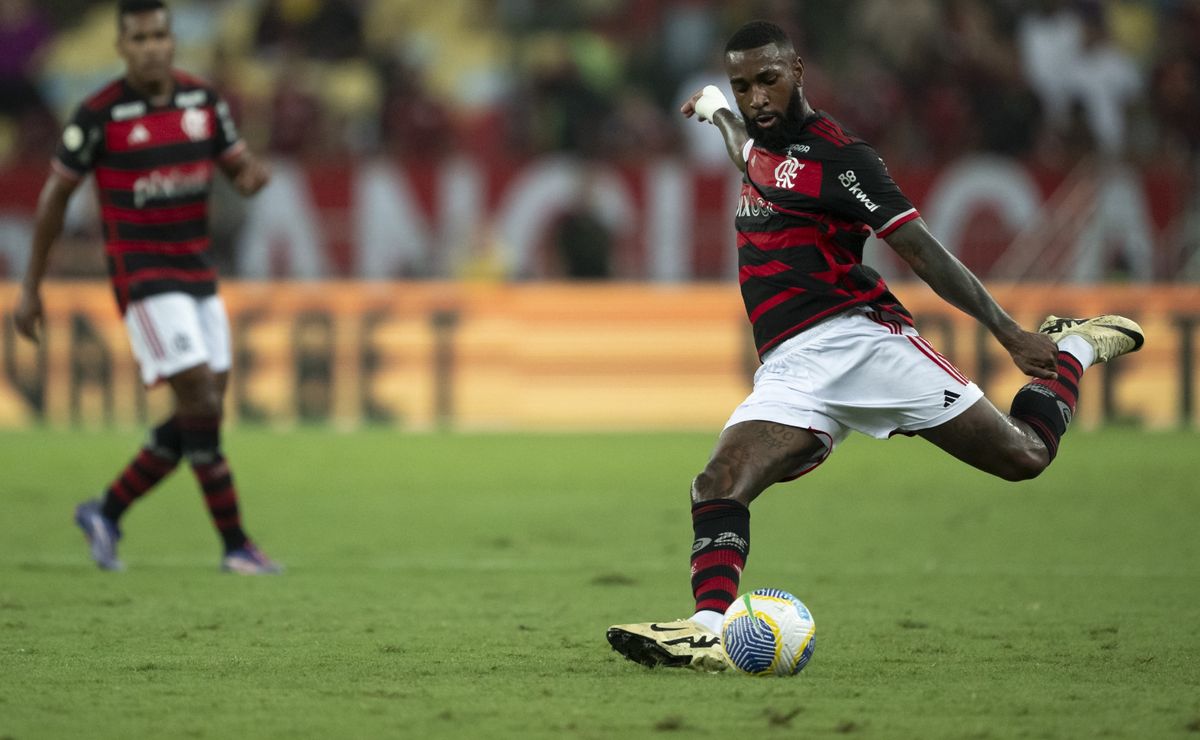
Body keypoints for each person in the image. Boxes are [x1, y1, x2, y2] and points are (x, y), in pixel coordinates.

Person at [606, 20, 1143, 671]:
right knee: (716, 482)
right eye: (741, 86)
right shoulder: (761, 143)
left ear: (798, 69)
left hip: (864, 342)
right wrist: (718, 113)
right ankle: (705, 630)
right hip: (791, 366)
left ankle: (1073, 350)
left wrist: (1005, 329)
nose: (756, 98)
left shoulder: (842, 158)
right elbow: (746, 149)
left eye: (767, 80)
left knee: (1024, 458)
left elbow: (919, 248)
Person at [13, 0, 280, 575]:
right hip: (144, 277)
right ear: (121, 48)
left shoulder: (202, 102)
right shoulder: (99, 115)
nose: (152, 47)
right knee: (202, 401)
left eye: (160, 35)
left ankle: (104, 510)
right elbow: (55, 198)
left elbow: (239, 169)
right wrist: (31, 287)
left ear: (172, 39)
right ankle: (236, 546)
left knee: (201, 413)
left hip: (198, 274)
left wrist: (254, 177)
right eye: (139, 38)